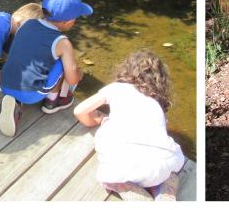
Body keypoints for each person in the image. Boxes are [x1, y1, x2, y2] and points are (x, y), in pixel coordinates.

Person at [73, 50, 185, 201]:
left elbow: (79, 110)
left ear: (125, 70)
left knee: (110, 174)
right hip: (163, 164)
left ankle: (131, 191)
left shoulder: (116, 88)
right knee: (167, 169)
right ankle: (166, 192)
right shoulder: (155, 102)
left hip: (125, 167)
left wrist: (98, 120)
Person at [0, 0, 92, 137]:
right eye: (76, 18)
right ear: (68, 21)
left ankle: (15, 102)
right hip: (32, 94)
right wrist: (77, 74)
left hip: (5, 83)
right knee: (64, 64)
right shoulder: (62, 42)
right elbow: (72, 78)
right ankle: (53, 102)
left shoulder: (27, 24)